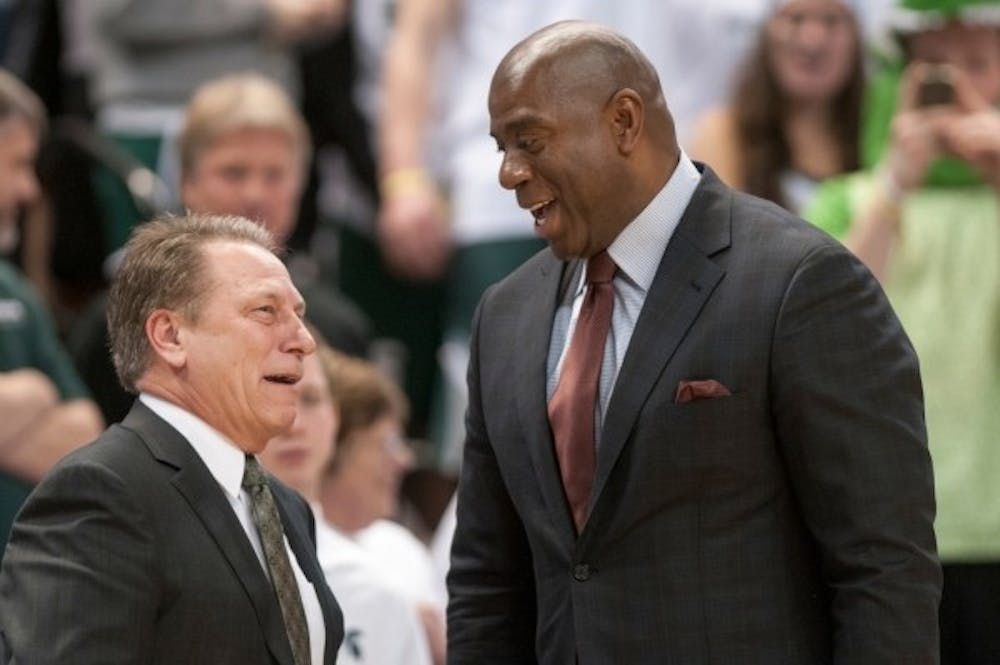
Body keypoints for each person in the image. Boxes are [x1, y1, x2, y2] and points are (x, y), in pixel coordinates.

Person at [447, 20, 941, 663]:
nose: (510, 173)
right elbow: (488, 585)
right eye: (500, 148)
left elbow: (884, 568)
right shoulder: (504, 315)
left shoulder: (801, 283)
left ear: (624, 122)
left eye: (530, 141)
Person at [0, 213, 343, 663]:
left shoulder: (286, 505)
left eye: (299, 315)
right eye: (265, 311)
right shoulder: (101, 492)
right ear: (170, 336)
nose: (303, 340)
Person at [805, 1, 1000, 661]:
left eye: (978, 62)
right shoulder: (847, 200)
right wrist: (894, 182)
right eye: (937, 66)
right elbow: (823, 325)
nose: (959, 85)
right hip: (883, 540)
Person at [69, 72, 371, 424]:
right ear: (187, 183)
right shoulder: (116, 324)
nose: (255, 194)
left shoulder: (340, 328)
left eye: (274, 175)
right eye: (234, 173)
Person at [260, 336, 434, 665]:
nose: (294, 423)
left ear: (335, 416)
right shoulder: (210, 553)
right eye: (272, 394)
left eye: (311, 399)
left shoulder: (386, 583)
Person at [0, 68, 103, 546]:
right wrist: (34, 394)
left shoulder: (16, 291)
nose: (30, 191)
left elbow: (83, 437)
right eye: (18, 165)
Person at [317, 350, 447, 664]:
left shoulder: (402, 549)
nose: (404, 460)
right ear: (335, 443)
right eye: (387, 443)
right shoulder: (284, 548)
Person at [689, 0, 866, 213]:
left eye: (831, 21)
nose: (813, 40)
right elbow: (720, 236)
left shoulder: (879, 133)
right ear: (766, 32)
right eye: (795, 19)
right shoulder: (724, 132)